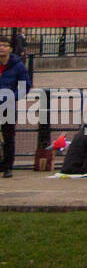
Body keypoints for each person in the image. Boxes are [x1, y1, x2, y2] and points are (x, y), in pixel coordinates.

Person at [0, 39, 31, 178]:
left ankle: (7, 167)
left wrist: (13, 97)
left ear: (10, 49)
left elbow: (26, 86)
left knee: (9, 137)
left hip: (8, 105)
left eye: (5, 45)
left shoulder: (18, 66)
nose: (1, 48)